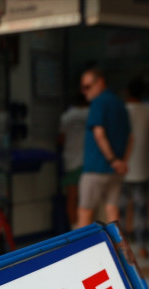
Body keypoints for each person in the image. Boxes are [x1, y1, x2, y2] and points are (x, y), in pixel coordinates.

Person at [77, 66, 132, 228]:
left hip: (97, 168)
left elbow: (99, 133)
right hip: (116, 170)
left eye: (87, 86)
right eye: (82, 87)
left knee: (85, 212)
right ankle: (117, 250)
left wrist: (113, 160)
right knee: (112, 212)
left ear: (100, 82)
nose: (84, 91)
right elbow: (131, 137)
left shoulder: (99, 102)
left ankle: (80, 253)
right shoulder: (120, 104)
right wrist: (122, 162)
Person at [120, 78, 149, 257]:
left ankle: (123, 248)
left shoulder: (123, 111)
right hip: (143, 166)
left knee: (122, 210)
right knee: (141, 210)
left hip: (124, 168)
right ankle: (142, 246)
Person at [58, 93, 89, 228]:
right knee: (87, 200)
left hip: (71, 160)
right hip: (88, 162)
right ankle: (88, 231)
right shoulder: (91, 114)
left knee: (72, 197)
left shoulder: (67, 116)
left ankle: (74, 229)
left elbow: (61, 139)